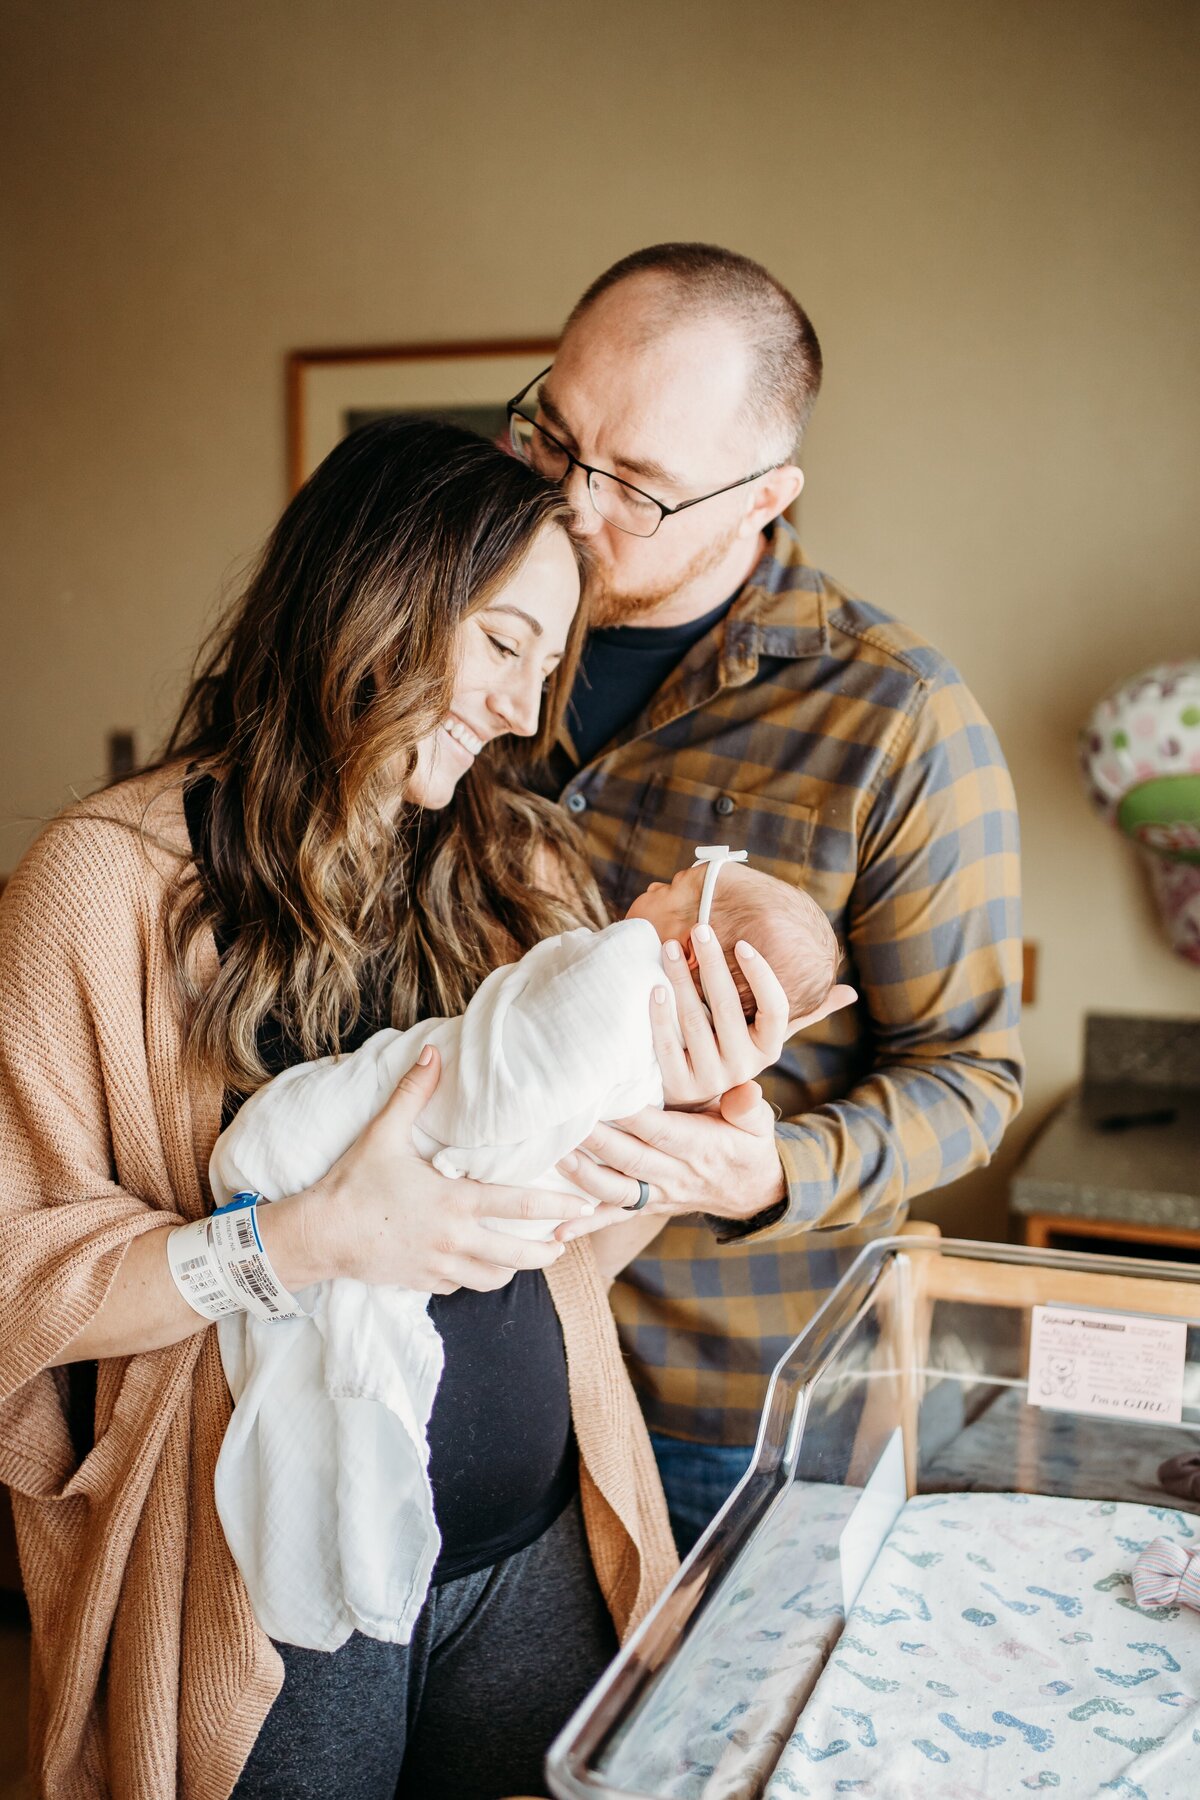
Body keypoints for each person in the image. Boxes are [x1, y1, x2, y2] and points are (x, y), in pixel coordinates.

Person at [0, 417, 679, 1800]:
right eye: (501, 644)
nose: (519, 703)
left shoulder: (525, 867)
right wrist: (299, 1242)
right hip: (261, 1580)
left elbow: (577, 1246)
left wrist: (683, 1147)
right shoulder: (103, 887)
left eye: (544, 665)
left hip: (538, 1556)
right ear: (379, 596)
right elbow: (15, 1280)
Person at [506, 242, 1025, 1553]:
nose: (571, 506)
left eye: (638, 486)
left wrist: (767, 1173)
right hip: (460, 1326)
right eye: (552, 437)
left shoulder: (895, 715)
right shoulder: (454, 633)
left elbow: (970, 1075)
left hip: (718, 1391)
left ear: (764, 495)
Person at [207, 845, 846, 1656]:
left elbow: (518, 1105)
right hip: (329, 1201)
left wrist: (709, 1138)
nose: (648, 883)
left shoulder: (621, 972)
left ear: (689, 952)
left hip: (544, 1523)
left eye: (678, 889)